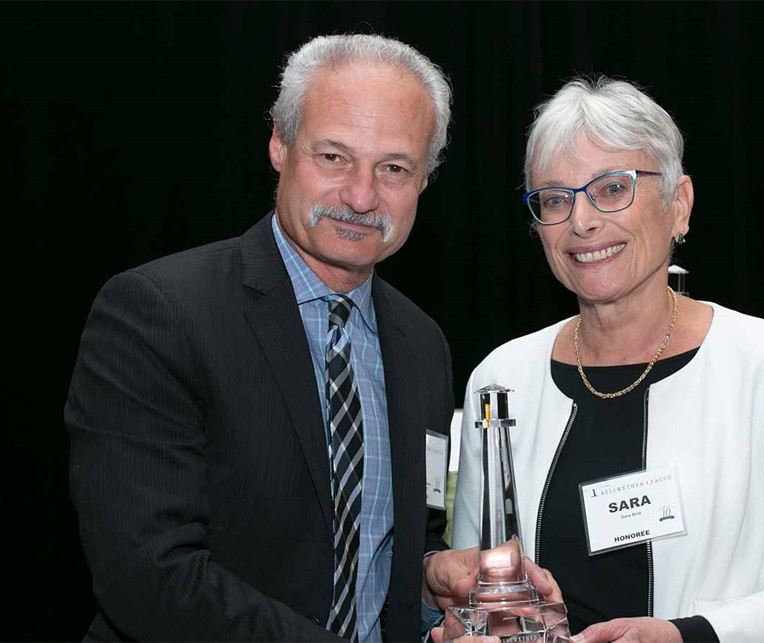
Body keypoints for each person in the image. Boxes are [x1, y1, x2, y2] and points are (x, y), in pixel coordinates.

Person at [66, 33, 482, 642]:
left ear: (425, 179)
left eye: (393, 168)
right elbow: (147, 576)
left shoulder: (423, 344)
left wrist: (427, 579)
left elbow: (401, 536)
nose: (362, 197)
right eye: (334, 157)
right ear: (280, 145)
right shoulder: (156, 314)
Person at [451, 76, 764, 642]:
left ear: (680, 205)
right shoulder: (502, 379)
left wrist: (684, 637)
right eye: (555, 198)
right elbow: (479, 585)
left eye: (612, 188)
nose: (582, 221)